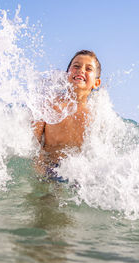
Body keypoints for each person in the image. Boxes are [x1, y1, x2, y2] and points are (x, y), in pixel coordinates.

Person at [32, 50, 101, 180]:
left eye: (88, 69)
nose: (81, 70)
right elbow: (34, 142)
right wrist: (39, 166)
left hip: (77, 172)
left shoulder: (96, 114)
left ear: (96, 83)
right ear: (66, 75)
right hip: (49, 167)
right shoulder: (50, 104)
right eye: (76, 66)